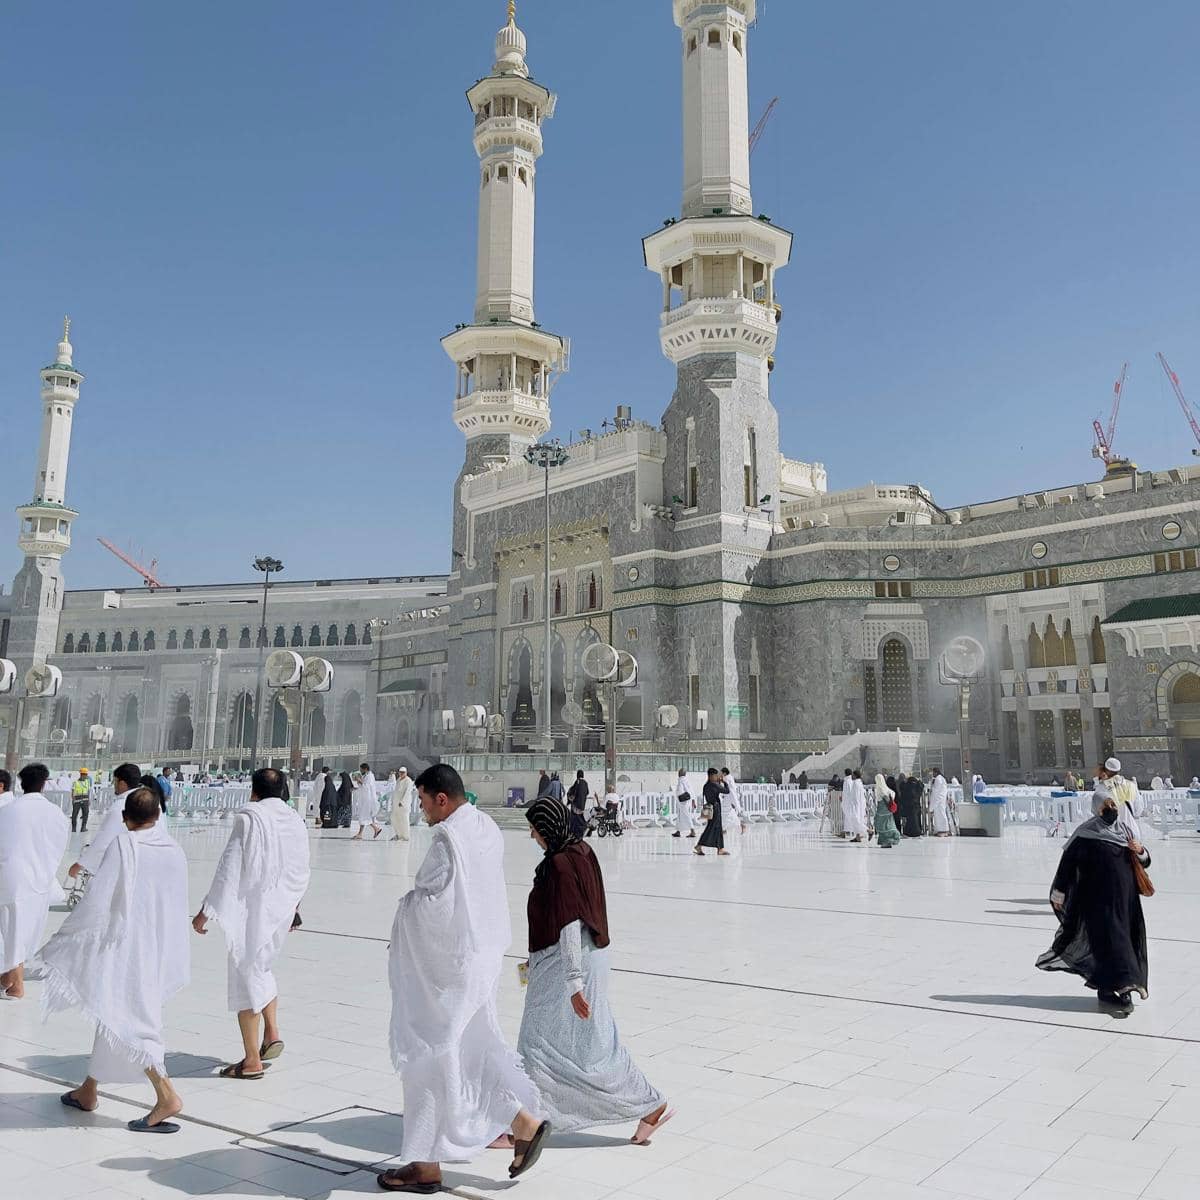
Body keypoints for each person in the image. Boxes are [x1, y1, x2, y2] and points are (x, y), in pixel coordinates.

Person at [381, 764, 548, 1193]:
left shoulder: (446, 839)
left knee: (427, 1055)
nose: (422, 810)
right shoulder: (485, 826)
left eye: (423, 801)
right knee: (472, 1048)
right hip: (482, 957)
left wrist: (403, 913)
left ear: (441, 799)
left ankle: (425, 1166)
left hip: (449, 969)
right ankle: (523, 1123)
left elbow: (432, 906)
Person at [517, 797, 670, 1141]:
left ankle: (525, 1125)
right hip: (588, 957)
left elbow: (570, 921)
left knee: (536, 1044)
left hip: (570, 964)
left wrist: (574, 983)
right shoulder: (582, 851)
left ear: (547, 828)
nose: (532, 836)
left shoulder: (560, 865)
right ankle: (648, 1104)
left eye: (534, 829)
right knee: (596, 1044)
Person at [37, 786, 190, 1131]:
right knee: (111, 1011)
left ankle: (166, 1095)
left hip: (126, 947)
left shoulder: (125, 844)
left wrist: (66, 937)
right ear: (158, 815)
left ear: (124, 817)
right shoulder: (174, 850)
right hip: (157, 945)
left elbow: (98, 897)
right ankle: (88, 1091)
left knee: (134, 1017)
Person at [193, 767, 311, 1079]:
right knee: (262, 969)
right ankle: (271, 1033)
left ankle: (251, 1062)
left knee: (245, 976)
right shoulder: (295, 820)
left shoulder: (250, 818)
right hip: (281, 911)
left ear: (254, 791)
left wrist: (207, 910)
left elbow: (228, 868)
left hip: (251, 912)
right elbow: (301, 869)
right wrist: (294, 907)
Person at [1036, 793, 1151, 1014]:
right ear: (1097, 809)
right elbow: (1067, 865)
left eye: (1113, 805)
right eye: (1106, 806)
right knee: (1110, 942)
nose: (1111, 809)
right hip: (1096, 901)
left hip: (1126, 902)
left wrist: (1140, 851)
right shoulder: (1085, 834)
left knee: (1124, 940)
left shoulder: (1125, 831)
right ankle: (1124, 987)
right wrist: (1059, 893)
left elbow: (1145, 862)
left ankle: (1110, 988)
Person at [0, 763, 71, 999]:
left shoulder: (9, 811)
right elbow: (59, 846)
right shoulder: (56, 814)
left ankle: (15, 985)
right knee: (24, 932)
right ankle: (8, 980)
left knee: (11, 932)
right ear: (44, 784)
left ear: (22, 783)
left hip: (12, 880)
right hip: (40, 880)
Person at [68, 762, 143, 882]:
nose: (114, 785)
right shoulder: (148, 802)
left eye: (115, 781)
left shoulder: (121, 807)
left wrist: (81, 864)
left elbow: (104, 839)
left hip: (122, 865)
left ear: (122, 783)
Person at [1092, 758, 1145, 843]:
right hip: (1132, 833)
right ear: (1119, 770)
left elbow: (1095, 812)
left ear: (1105, 770)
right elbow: (1138, 811)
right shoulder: (1131, 785)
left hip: (1112, 835)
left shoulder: (1102, 788)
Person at [694, 767, 729, 856]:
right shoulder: (714, 785)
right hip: (715, 809)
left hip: (710, 809)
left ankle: (720, 848)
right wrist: (725, 782)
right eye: (715, 775)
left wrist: (719, 782)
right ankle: (699, 845)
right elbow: (726, 791)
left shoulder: (706, 785)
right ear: (711, 776)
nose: (716, 777)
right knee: (712, 828)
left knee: (716, 828)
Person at [351, 763, 383, 839]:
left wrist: (359, 780)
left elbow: (367, 787)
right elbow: (363, 786)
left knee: (364, 816)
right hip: (364, 799)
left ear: (365, 769)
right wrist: (358, 782)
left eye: (361, 769)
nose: (360, 771)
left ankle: (369, 831)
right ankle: (370, 830)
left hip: (367, 800)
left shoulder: (370, 776)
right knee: (364, 816)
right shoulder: (366, 776)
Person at [873, 773, 900, 848]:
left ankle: (885, 841)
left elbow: (880, 799)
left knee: (881, 825)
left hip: (881, 811)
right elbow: (893, 794)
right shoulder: (887, 789)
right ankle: (889, 840)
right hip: (888, 810)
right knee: (888, 825)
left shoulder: (879, 790)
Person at [842, 769, 867, 844]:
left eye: (853, 775)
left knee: (856, 820)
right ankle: (858, 836)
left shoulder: (855, 783)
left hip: (855, 805)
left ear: (855, 775)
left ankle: (868, 831)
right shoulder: (859, 783)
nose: (852, 776)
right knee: (856, 820)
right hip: (858, 805)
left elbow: (854, 796)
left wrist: (852, 805)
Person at [391, 766, 414, 841]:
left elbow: (407, 793)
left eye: (403, 772)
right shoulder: (398, 780)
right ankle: (398, 834)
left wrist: (402, 802)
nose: (401, 774)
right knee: (395, 819)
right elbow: (396, 791)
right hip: (396, 804)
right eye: (400, 772)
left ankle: (405, 836)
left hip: (403, 805)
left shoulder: (408, 781)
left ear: (406, 773)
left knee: (404, 820)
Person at [566, 770, 590, 840]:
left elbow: (573, 791)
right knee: (579, 816)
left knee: (574, 817)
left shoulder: (577, 781)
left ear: (577, 775)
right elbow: (587, 792)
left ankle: (574, 831)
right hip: (582, 804)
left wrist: (570, 798)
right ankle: (580, 830)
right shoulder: (585, 783)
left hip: (576, 804)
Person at [672, 769, 695, 839]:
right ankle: (678, 831)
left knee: (686, 816)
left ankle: (692, 831)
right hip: (686, 802)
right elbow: (691, 791)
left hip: (683, 802)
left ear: (680, 773)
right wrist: (693, 801)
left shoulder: (681, 780)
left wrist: (678, 797)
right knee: (680, 816)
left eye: (679, 772)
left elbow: (680, 791)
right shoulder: (687, 780)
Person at [929, 768, 951, 836]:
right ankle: (939, 830)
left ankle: (944, 830)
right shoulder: (940, 778)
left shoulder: (938, 779)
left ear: (936, 772)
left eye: (933, 772)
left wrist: (932, 786)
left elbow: (936, 791)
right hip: (940, 800)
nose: (932, 774)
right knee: (938, 816)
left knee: (941, 815)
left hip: (939, 800)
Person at [71, 767, 92, 833]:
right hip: (77, 799)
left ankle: (83, 827)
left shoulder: (87, 782)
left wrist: (89, 799)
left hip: (85, 799)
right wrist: (73, 799)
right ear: (81, 774)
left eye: (86, 774)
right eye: (85, 774)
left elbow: (88, 791)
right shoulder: (75, 782)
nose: (86, 776)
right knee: (74, 814)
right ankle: (73, 828)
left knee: (86, 813)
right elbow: (73, 791)